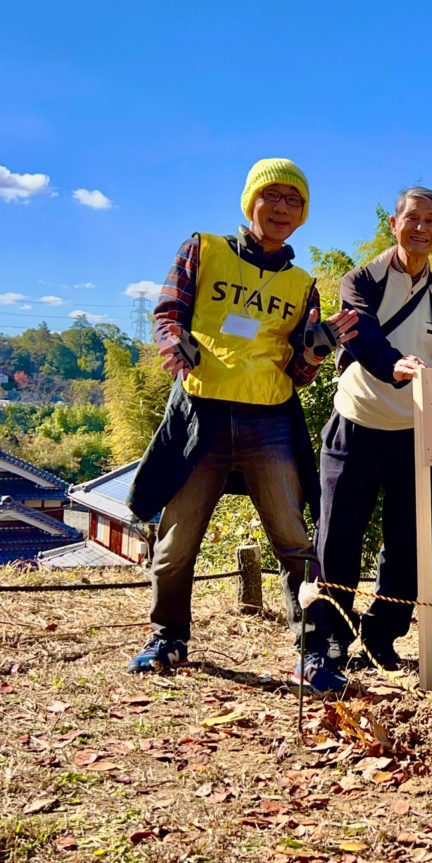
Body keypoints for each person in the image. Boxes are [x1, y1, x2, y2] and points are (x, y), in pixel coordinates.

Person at [127, 158, 359, 693]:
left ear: (303, 214)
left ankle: (314, 654)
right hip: (201, 415)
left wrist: (320, 348)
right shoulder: (202, 249)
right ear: (249, 201)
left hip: (269, 419)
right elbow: (168, 313)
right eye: (271, 196)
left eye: (293, 201)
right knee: (176, 540)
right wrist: (173, 345)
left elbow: (297, 370)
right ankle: (168, 637)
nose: (281, 208)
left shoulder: (303, 283)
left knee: (294, 540)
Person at [316, 187, 432, 670]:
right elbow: (362, 335)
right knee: (339, 534)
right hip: (357, 421)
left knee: (409, 541)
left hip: (419, 434)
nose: (421, 228)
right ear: (393, 223)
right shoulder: (360, 279)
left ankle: (383, 632)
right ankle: (334, 635)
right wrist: (395, 366)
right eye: (413, 218)